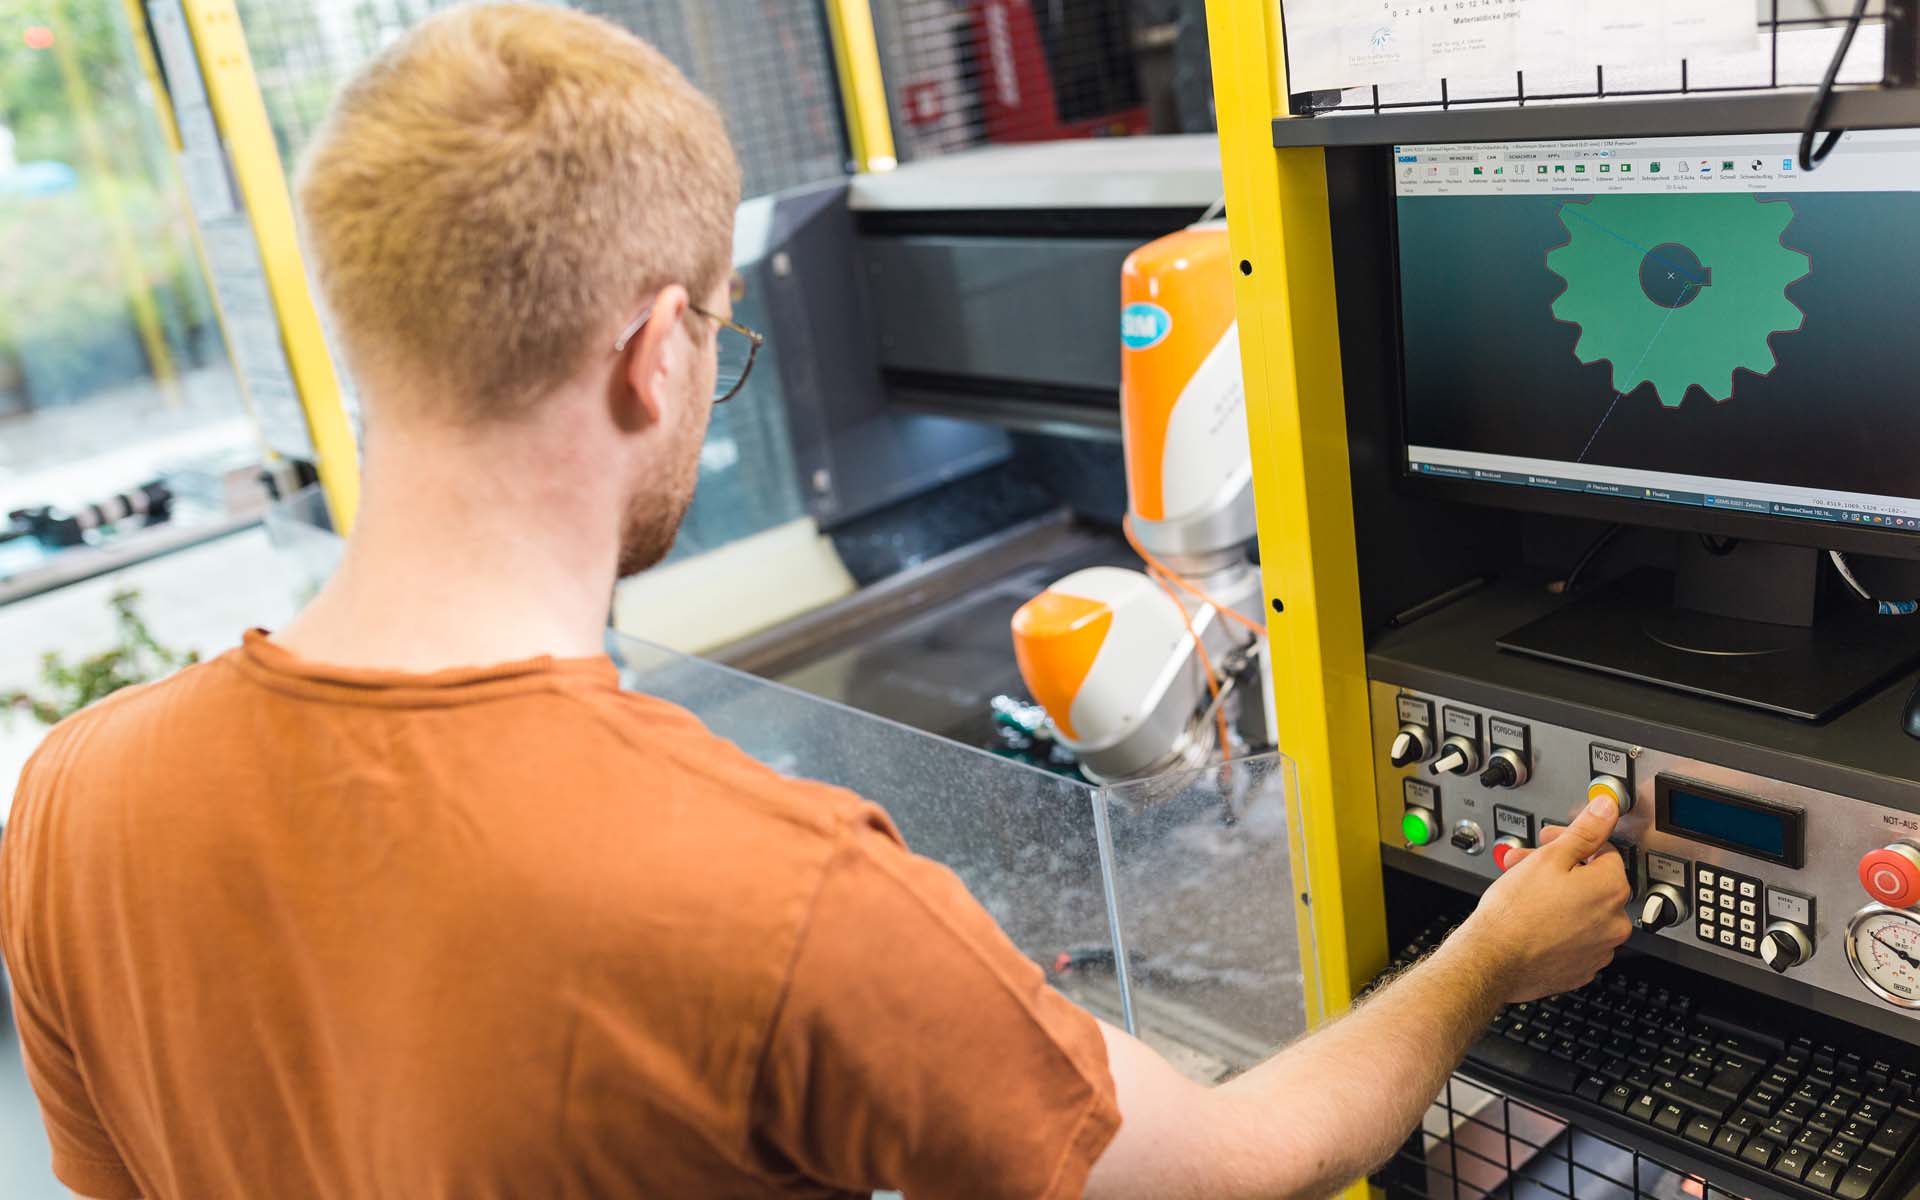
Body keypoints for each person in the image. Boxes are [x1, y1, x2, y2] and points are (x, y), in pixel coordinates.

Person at [0, 5, 1634, 1198]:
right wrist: (1490, 955)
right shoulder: (772, 894)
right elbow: (1230, 1166)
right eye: (722, 341)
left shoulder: (71, 796)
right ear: (658, 353)